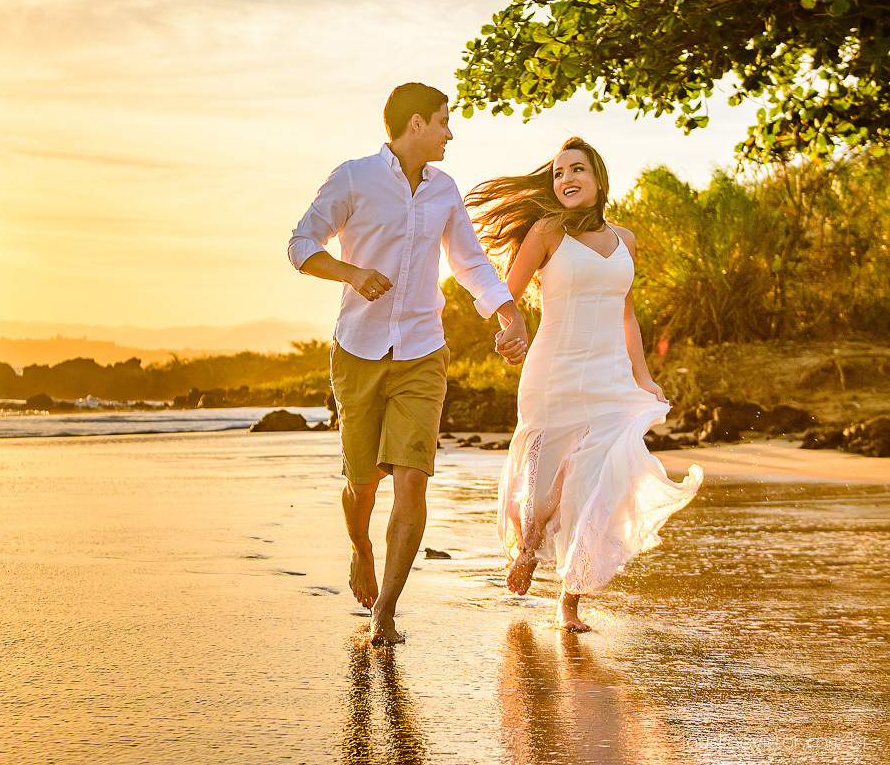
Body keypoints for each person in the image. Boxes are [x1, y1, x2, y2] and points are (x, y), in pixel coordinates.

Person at [288, 83, 528, 645]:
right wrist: (350, 274)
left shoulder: (445, 190)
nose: (451, 132)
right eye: (445, 121)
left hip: (423, 349)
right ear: (415, 123)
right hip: (358, 350)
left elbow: (470, 262)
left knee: (413, 481)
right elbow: (301, 245)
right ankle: (361, 548)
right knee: (363, 481)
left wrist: (508, 314)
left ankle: (385, 612)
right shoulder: (353, 177)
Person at [467, 137, 702, 632]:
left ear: (598, 179)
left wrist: (643, 376)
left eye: (576, 169)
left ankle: (569, 601)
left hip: (610, 378)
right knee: (547, 490)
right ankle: (528, 545)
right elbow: (502, 295)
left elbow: (627, 315)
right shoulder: (547, 231)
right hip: (553, 373)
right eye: (557, 173)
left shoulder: (626, 239)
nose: (565, 179)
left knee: (595, 486)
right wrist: (510, 329)